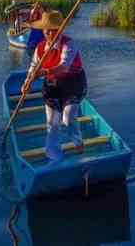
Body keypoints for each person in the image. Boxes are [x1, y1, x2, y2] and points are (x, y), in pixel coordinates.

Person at [24, 11, 87, 162]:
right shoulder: (40, 48)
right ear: (43, 30)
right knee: (52, 124)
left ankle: (77, 140)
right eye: (46, 30)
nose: (49, 33)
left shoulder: (69, 44)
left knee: (69, 116)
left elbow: (64, 66)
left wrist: (44, 71)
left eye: (53, 30)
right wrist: (26, 82)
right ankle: (54, 157)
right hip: (52, 86)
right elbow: (33, 67)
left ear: (60, 29)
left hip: (72, 84)